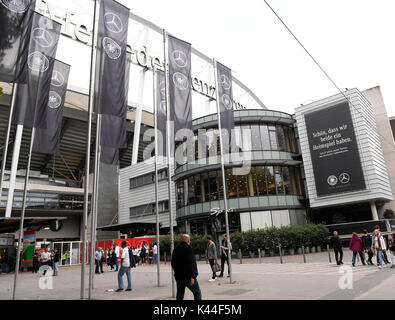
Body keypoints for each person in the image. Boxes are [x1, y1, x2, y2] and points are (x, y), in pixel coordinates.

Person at [171, 234, 202, 300]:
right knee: (197, 292)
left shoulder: (176, 248)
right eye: (189, 239)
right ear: (188, 240)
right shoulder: (188, 248)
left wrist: (177, 271)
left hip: (179, 276)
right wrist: (193, 276)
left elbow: (173, 263)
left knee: (180, 294)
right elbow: (191, 263)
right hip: (188, 277)